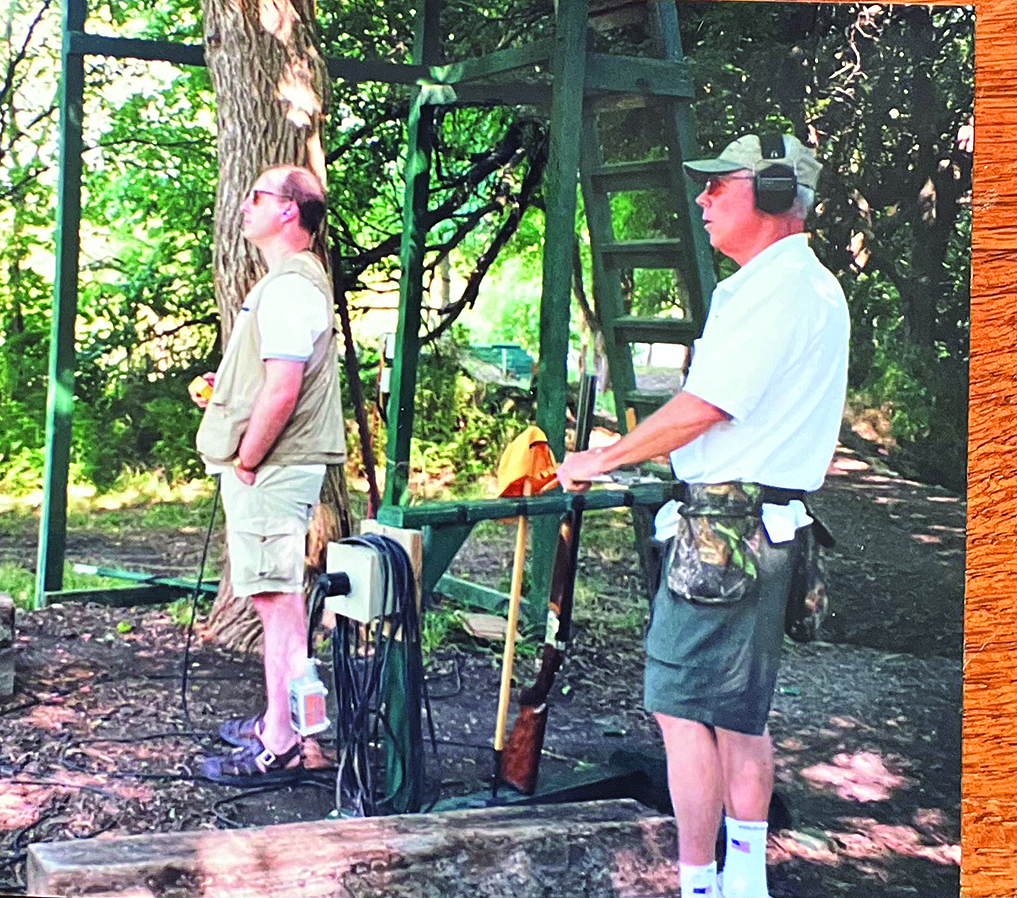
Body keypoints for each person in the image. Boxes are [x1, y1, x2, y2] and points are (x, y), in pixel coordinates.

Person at [556, 134, 848, 898]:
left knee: (681, 711)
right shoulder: (791, 286)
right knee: (738, 716)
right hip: (762, 525)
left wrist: (601, 458)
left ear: (774, 193)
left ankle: (698, 884)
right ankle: (741, 880)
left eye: (720, 185)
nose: (702, 198)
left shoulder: (779, 291)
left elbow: (705, 406)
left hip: (729, 531)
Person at [189, 164, 346, 785]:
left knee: (277, 602)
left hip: (273, 469)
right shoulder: (290, 283)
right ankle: (289, 727)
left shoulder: (289, 288)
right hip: (279, 466)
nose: (244, 204)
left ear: (288, 211)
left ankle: (282, 745)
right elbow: (269, 378)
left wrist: (248, 457)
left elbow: (283, 390)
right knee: (276, 599)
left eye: (257, 195)